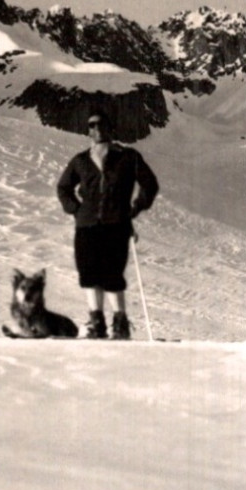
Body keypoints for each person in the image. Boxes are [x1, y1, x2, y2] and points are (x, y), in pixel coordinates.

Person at [57, 111, 159, 339]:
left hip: (116, 223)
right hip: (86, 225)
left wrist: (135, 208)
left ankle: (120, 324)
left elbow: (149, 184)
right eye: (92, 125)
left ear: (110, 128)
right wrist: (76, 209)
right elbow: (63, 187)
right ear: (88, 130)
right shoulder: (80, 161)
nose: (97, 129)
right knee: (88, 272)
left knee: (113, 273)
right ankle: (97, 323)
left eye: (101, 124)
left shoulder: (128, 157)